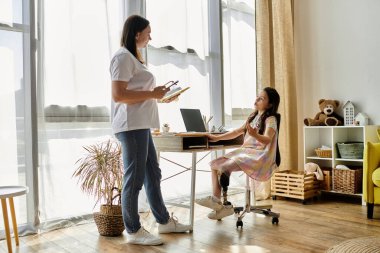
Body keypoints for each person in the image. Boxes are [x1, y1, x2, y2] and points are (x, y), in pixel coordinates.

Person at [110, 15, 191, 246]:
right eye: (148, 32)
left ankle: (163, 221)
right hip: (131, 126)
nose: (150, 37)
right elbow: (119, 95)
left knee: (152, 174)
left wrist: (160, 97)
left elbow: (137, 93)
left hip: (141, 124)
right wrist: (152, 94)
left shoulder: (133, 58)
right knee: (134, 180)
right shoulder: (122, 57)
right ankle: (133, 230)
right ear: (137, 33)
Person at [195, 87, 281, 220]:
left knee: (224, 167)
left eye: (261, 98)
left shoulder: (271, 120)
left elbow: (267, 139)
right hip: (246, 152)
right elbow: (236, 132)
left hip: (260, 156)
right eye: (258, 96)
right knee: (214, 165)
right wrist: (217, 137)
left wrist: (254, 134)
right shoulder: (252, 117)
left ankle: (225, 206)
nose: (257, 99)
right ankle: (217, 204)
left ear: (270, 104)